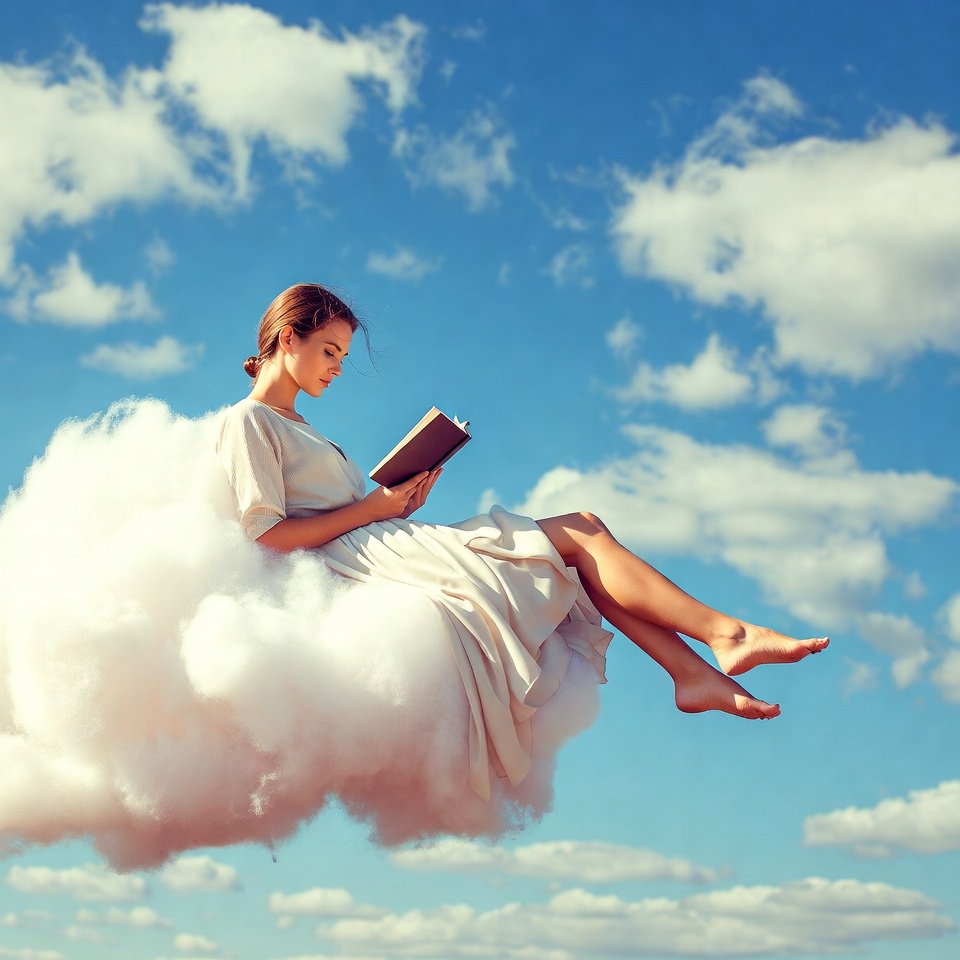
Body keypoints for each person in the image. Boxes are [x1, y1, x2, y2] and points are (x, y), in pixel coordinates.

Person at [217, 283, 828, 799]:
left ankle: (695, 671)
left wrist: (395, 498)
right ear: (287, 337)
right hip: (367, 558)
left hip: (387, 536)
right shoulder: (248, 421)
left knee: (577, 543)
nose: (336, 368)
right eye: (329, 350)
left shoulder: (303, 428)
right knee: (579, 533)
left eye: (343, 356)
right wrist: (376, 507)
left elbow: (346, 508)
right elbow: (267, 535)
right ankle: (723, 642)